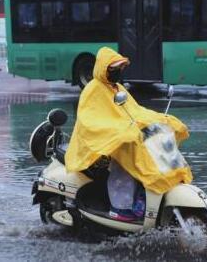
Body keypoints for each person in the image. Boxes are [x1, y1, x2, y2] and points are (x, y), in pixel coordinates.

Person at [65, 47, 193, 222]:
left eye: (119, 68)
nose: (117, 72)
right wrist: (121, 130)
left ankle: (147, 195)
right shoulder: (92, 90)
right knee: (124, 164)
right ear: (103, 68)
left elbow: (135, 111)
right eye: (113, 69)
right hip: (99, 143)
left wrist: (160, 119)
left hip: (123, 135)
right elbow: (90, 122)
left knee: (149, 151)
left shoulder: (117, 88)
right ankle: (120, 209)